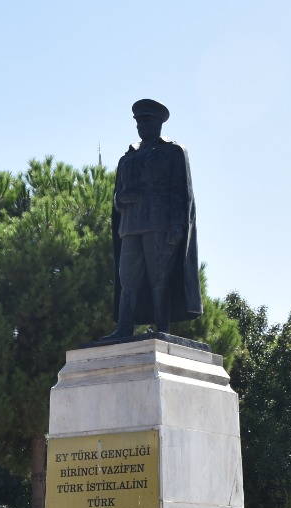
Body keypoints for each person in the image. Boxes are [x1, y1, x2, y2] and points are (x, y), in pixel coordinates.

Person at [104, 98, 202, 339]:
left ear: (159, 123)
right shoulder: (127, 157)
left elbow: (182, 191)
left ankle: (162, 328)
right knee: (127, 279)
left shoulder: (173, 152)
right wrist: (121, 198)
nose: (142, 126)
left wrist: (178, 225)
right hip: (130, 227)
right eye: (139, 122)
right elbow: (116, 198)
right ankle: (124, 328)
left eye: (146, 121)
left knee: (159, 278)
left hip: (159, 224)